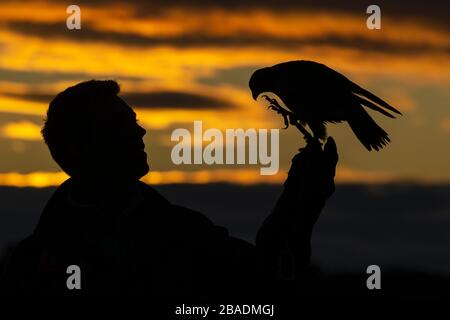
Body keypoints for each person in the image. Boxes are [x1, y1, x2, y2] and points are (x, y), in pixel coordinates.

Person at [0, 80, 338, 299]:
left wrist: (302, 197)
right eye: (123, 124)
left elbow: (266, 282)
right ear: (79, 148)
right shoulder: (30, 266)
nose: (142, 132)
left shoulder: (186, 234)